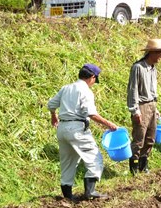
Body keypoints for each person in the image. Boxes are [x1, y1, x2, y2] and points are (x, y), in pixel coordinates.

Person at [48, 64, 118, 201]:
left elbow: (51, 104)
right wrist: (109, 124)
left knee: (68, 161)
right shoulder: (85, 91)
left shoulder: (66, 88)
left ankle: (68, 196)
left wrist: (53, 115)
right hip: (77, 129)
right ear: (92, 77)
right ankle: (90, 191)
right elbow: (91, 114)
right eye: (94, 80)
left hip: (62, 128)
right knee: (94, 158)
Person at [127, 38, 161, 175]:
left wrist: (156, 109)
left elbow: (152, 91)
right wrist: (135, 110)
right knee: (139, 139)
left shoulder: (153, 69)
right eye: (159, 53)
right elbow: (133, 90)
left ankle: (144, 166)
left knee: (150, 138)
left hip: (152, 105)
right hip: (141, 106)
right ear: (151, 52)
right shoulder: (138, 67)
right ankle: (134, 169)